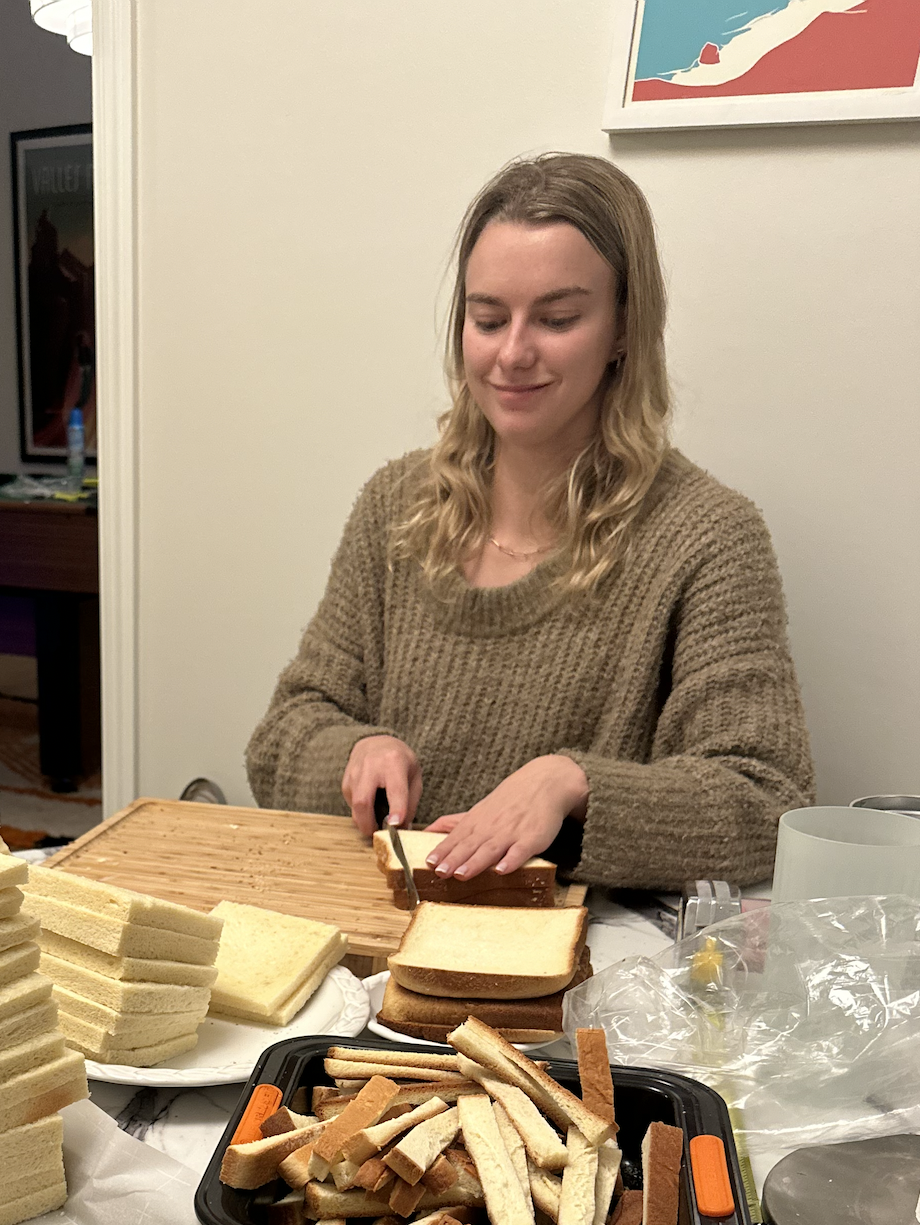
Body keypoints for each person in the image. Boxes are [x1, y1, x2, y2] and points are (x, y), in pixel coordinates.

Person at [245, 153, 815, 892]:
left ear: (622, 330)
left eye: (557, 318)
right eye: (487, 319)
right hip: (376, 939)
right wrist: (354, 750)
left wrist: (573, 785)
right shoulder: (396, 505)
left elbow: (763, 803)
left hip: (572, 970)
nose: (513, 353)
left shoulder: (707, 538)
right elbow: (284, 734)